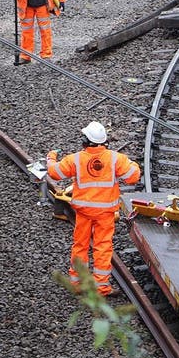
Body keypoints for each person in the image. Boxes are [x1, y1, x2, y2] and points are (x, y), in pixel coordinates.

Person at [47, 121, 141, 296]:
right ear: (105, 141)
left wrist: (51, 157)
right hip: (105, 213)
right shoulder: (115, 158)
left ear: (85, 140)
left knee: (80, 245)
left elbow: (54, 173)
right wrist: (133, 163)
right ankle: (102, 287)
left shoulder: (75, 159)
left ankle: (77, 284)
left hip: (83, 212)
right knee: (103, 247)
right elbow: (133, 177)